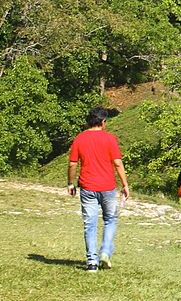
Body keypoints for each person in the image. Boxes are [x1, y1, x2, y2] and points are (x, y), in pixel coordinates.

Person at [67, 107, 129, 272]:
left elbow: (73, 163)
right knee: (110, 220)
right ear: (103, 122)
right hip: (107, 186)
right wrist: (125, 184)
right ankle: (106, 252)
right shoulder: (110, 139)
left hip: (87, 187)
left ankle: (92, 263)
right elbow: (117, 163)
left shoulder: (79, 139)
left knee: (90, 225)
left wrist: (70, 183)